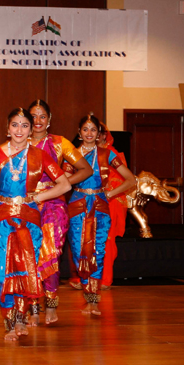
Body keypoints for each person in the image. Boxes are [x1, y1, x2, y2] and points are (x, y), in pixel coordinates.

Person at [0, 107, 71, 341]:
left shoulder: (40, 156)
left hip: (30, 219)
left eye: (24, 125)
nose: (19, 130)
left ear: (31, 130)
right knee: (1, 270)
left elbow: (65, 185)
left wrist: (37, 198)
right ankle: (8, 319)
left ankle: (19, 319)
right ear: (7, 128)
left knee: (25, 269)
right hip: (0, 218)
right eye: (15, 124)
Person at [27, 99, 92, 325]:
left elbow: (86, 169)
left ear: (49, 119)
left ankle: (51, 304)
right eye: (33, 116)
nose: (37, 121)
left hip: (54, 204)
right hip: (27, 204)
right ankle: (34, 307)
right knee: (30, 254)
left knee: (51, 253)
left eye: (42, 116)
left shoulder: (60, 143)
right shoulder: (19, 142)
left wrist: (62, 183)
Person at [65, 114, 135, 316]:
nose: (89, 133)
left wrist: (110, 194)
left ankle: (93, 301)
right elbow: (64, 182)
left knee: (98, 252)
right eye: (85, 129)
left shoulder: (107, 154)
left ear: (99, 134)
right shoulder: (71, 155)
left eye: (93, 130)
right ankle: (88, 292)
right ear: (79, 133)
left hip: (100, 206)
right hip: (77, 207)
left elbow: (130, 180)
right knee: (80, 253)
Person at [98, 123, 129, 290]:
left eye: (99, 132)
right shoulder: (86, 153)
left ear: (104, 135)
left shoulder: (111, 153)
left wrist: (106, 193)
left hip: (110, 201)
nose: (95, 135)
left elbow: (122, 180)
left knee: (107, 239)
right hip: (91, 201)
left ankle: (105, 279)